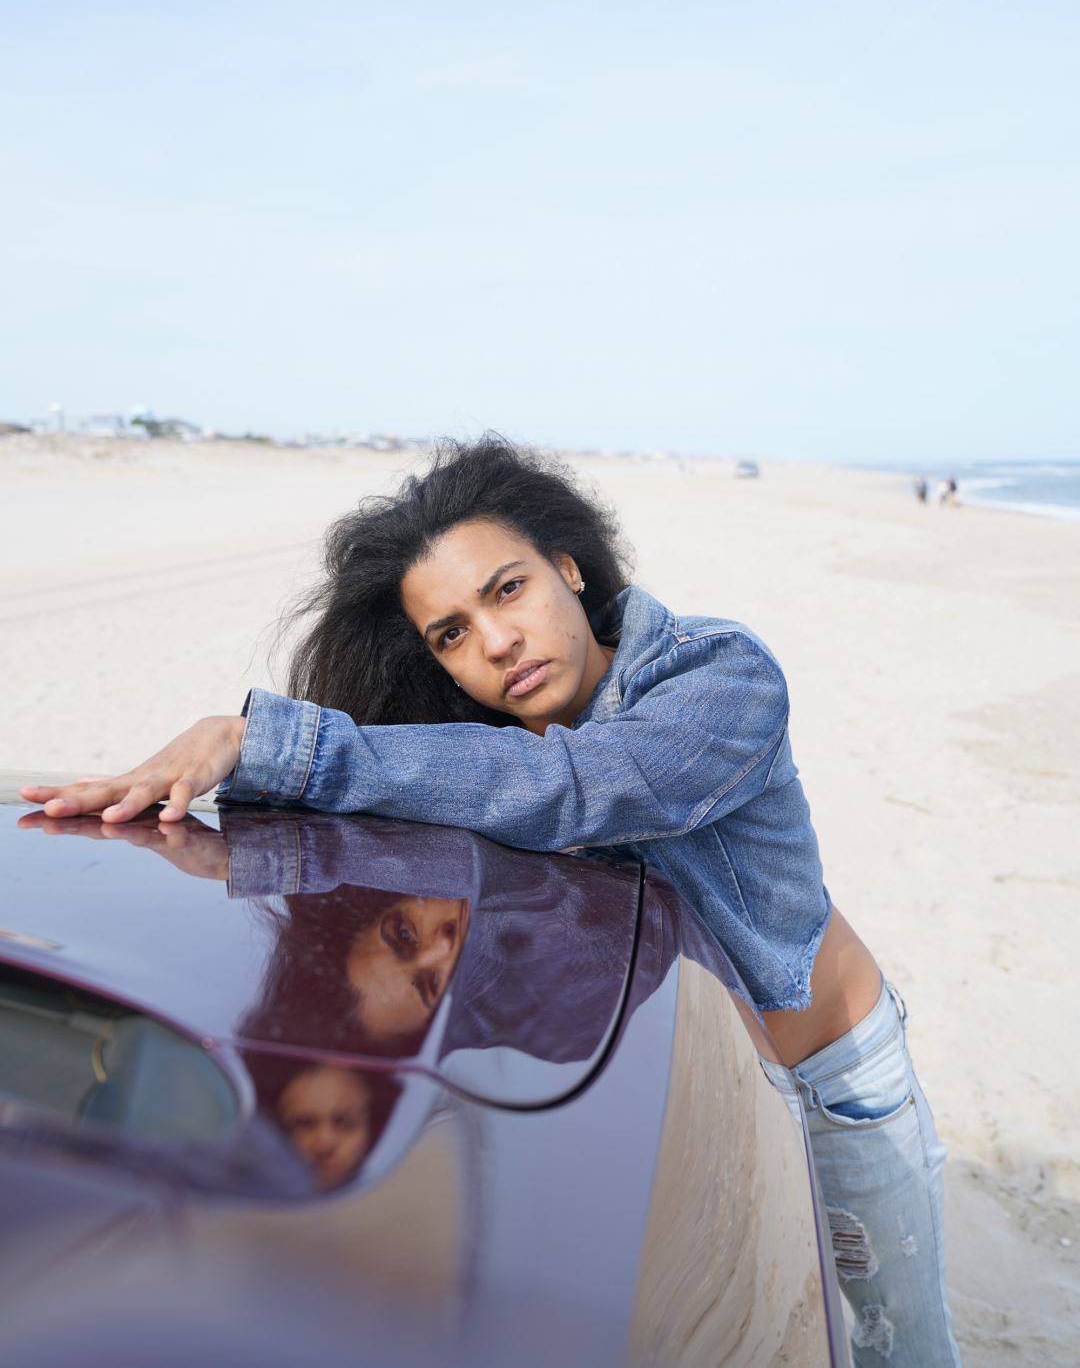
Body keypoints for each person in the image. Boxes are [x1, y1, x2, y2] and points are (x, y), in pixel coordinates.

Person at [22, 436, 961, 1367]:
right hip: (720, 1084)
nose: (496, 642)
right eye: (452, 634)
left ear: (568, 567)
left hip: (841, 1083)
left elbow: (588, 785)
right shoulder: (473, 759)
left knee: (902, 1349)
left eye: (506, 589)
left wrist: (263, 741)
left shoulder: (720, 678)